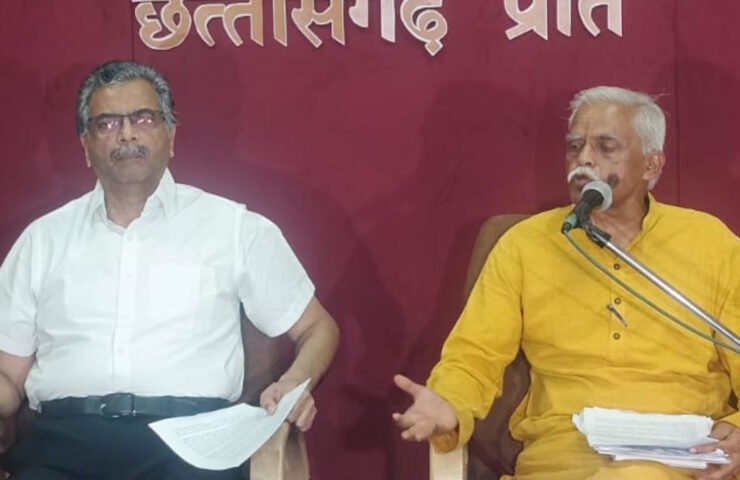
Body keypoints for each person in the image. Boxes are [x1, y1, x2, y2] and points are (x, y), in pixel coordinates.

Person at [0, 60, 339, 479]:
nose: (127, 134)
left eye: (143, 119)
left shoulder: (234, 227)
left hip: (193, 447)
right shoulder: (42, 239)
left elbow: (318, 328)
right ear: (85, 145)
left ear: (171, 136)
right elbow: (8, 378)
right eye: (107, 123)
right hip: (64, 446)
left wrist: (294, 384)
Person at [393, 86, 740, 480]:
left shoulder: (710, 243)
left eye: (605, 147)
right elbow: (474, 357)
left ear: (651, 164)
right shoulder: (527, 244)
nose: (584, 159)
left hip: (686, 460)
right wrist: (450, 403)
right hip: (563, 458)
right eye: (575, 147)